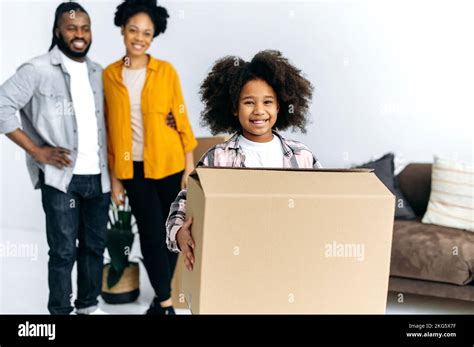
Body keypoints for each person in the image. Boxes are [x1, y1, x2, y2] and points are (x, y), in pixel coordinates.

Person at [166, 50, 322, 271]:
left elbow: (322, 202)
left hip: (286, 260)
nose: (259, 111)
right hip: (235, 261)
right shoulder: (218, 157)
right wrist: (179, 232)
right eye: (249, 102)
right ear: (234, 108)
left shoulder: (301, 156)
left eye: (268, 102)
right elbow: (186, 199)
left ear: (279, 106)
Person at [0, 2, 110, 314]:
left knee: (93, 248)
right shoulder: (37, 70)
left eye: (85, 28)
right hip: (61, 178)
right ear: (58, 31)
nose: (79, 34)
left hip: (98, 177)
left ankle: (88, 306)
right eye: (72, 27)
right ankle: (60, 313)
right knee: (63, 252)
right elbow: (1, 106)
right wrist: (36, 151)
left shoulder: (98, 73)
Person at [103, 0, 198, 315]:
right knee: (150, 235)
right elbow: (110, 132)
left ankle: (161, 298)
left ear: (153, 36)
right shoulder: (109, 76)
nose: (139, 38)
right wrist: (116, 180)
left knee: (171, 234)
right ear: (123, 30)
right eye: (134, 30)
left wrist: (189, 165)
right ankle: (166, 302)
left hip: (170, 164)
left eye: (147, 32)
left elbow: (180, 117)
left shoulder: (166, 72)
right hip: (133, 169)